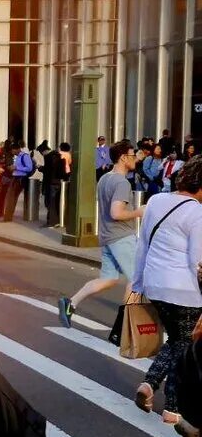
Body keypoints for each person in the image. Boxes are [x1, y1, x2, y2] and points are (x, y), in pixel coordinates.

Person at [131, 155, 202, 425]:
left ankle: (149, 385)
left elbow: (143, 244)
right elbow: (198, 259)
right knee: (184, 348)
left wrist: (138, 283)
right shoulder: (196, 212)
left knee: (176, 340)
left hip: (155, 284)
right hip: (185, 290)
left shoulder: (157, 201)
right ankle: (173, 408)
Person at [59, 140, 146, 327]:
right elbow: (117, 213)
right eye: (132, 156)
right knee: (136, 279)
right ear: (123, 158)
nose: (135, 160)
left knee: (108, 279)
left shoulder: (105, 178)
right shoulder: (122, 183)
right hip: (122, 237)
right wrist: (139, 212)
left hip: (107, 237)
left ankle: (70, 303)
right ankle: (125, 326)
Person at [0, 141, 33, 222]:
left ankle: (7, 217)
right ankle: (8, 216)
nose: (12, 152)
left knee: (11, 198)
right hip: (15, 177)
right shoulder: (17, 157)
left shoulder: (25, 156)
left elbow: (29, 168)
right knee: (11, 198)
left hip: (20, 178)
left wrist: (16, 168)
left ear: (17, 149)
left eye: (13, 150)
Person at [41, 141, 69, 227]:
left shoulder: (52, 157)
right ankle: (59, 220)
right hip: (60, 182)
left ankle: (51, 221)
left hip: (52, 182)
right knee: (57, 201)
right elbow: (66, 171)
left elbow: (47, 170)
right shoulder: (65, 157)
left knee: (51, 202)